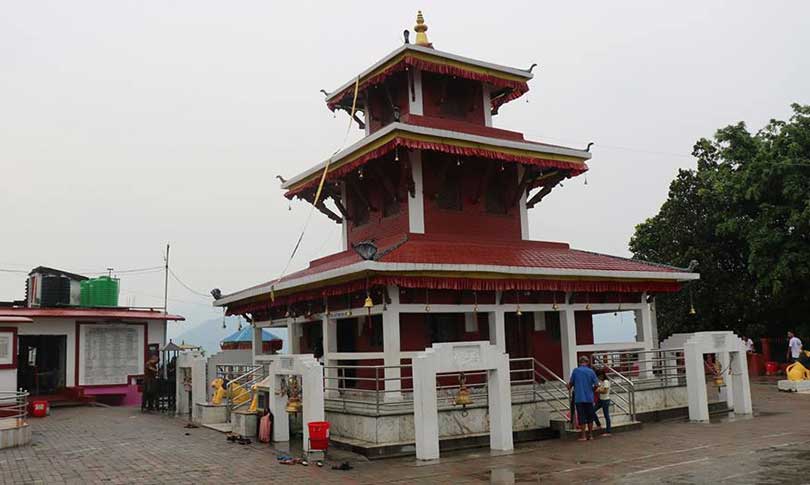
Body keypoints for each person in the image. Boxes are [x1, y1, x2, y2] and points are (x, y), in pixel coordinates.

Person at [567, 355, 599, 441]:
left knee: (582, 417)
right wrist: (592, 390)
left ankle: (583, 436)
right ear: (587, 362)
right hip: (589, 398)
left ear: (579, 362)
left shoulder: (576, 371)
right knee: (590, 417)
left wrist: (568, 386)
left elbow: (570, 384)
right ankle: (591, 435)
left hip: (579, 398)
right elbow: (596, 384)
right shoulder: (591, 371)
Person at [593, 369, 612, 436]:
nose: (598, 378)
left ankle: (608, 431)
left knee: (606, 415)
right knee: (592, 411)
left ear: (602, 375)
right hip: (600, 399)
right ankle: (598, 424)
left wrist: (598, 391)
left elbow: (605, 391)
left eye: (599, 376)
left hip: (605, 400)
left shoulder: (606, 382)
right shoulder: (600, 381)